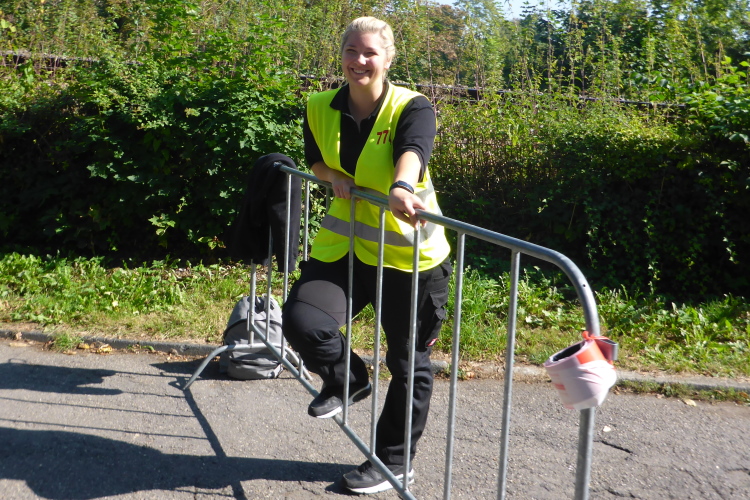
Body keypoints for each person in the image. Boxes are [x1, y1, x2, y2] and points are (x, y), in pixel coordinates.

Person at [282, 16, 452, 495]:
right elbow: (315, 157)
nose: (359, 60)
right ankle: (349, 379)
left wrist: (402, 186)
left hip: (409, 259)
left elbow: (413, 150)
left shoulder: (412, 106)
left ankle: (393, 462)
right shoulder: (319, 105)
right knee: (301, 321)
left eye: (370, 52)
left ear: (388, 58)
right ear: (341, 54)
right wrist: (330, 175)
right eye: (351, 51)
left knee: (408, 363)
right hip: (346, 249)